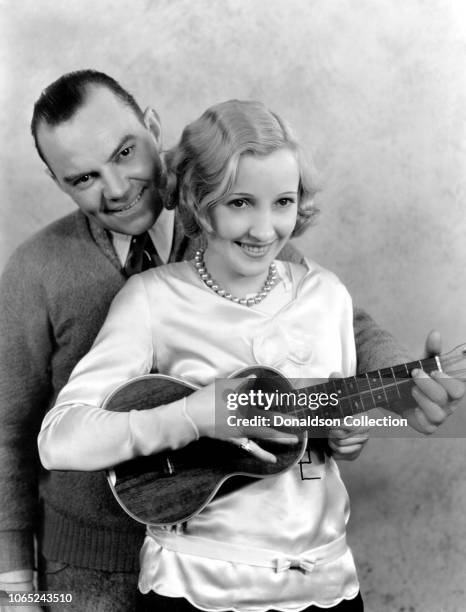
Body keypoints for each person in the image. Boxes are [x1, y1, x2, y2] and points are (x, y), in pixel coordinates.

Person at [0, 70, 461, 612]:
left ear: (152, 126)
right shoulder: (39, 271)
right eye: (83, 178)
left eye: (125, 152)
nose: (118, 187)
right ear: (57, 180)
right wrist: (14, 586)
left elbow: (339, 328)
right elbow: (10, 433)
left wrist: (396, 389)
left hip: (283, 566)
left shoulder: (245, 225)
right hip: (92, 563)